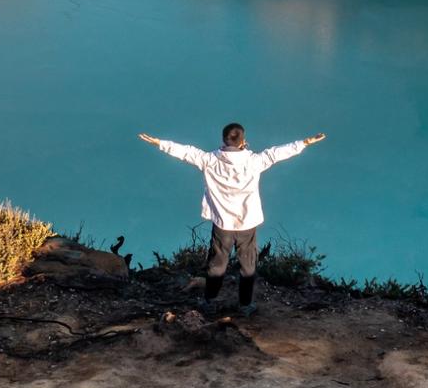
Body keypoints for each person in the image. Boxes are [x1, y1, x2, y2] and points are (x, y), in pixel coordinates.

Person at [139, 123, 325, 316]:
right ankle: (245, 305)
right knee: (248, 265)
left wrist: (159, 142)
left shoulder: (209, 160)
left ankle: (210, 302)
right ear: (243, 141)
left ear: (223, 139)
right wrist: (305, 142)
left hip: (222, 223)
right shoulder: (255, 161)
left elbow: (185, 152)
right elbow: (278, 153)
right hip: (247, 222)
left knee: (217, 264)